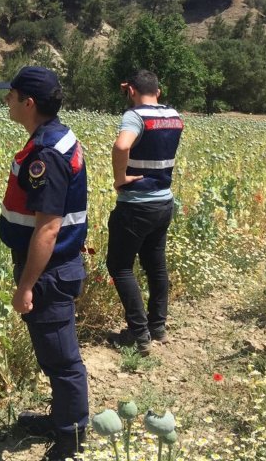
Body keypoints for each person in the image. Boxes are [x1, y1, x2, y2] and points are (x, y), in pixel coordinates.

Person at [0, 66, 88, 461]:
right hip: (55, 264)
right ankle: (62, 420)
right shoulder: (56, 137)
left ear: (28, 103)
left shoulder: (46, 153)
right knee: (53, 352)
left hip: (49, 270)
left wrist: (26, 286)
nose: (6, 100)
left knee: (61, 357)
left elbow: (48, 228)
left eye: (11, 94)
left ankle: (71, 438)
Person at [107, 70, 183, 356]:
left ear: (132, 91)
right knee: (156, 265)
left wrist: (120, 177)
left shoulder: (134, 116)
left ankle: (139, 335)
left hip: (137, 204)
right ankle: (158, 327)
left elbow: (122, 145)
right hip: (164, 201)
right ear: (159, 91)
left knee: (120, 266)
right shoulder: (174, 115)